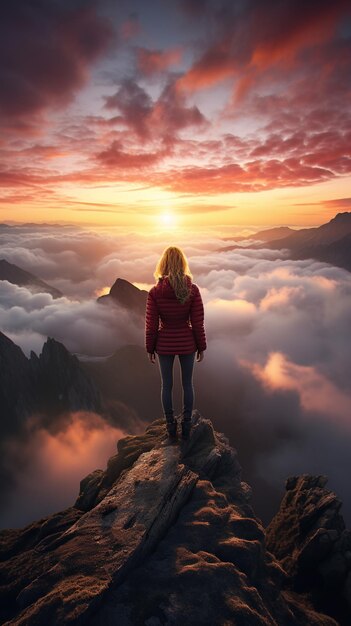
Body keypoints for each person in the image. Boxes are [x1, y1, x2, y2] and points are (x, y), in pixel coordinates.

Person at [145, 246, 207, 441]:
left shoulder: (155, 293)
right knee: (187, 384)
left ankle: (171, 427)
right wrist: (201, 346)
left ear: (163, 265)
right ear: (182, 264)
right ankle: (186, 425)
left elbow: (151, 325)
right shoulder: (193, 290)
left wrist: (150, 348)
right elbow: (197, 322)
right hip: (188, 343)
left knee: (167, 385)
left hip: (164, 344)